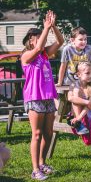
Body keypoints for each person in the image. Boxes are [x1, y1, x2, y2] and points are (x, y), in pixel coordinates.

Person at [21, 10, 64, 180]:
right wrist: (46, 26)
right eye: (38, 36)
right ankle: (35, 169)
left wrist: (53, 27)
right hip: (34, 97)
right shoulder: (26, 56)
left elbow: (60, 41)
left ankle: (42, 163)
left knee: (48, 134)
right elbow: (39, 47)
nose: (42, 39)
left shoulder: (45, 54)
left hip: (48, 97)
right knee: (37, 134)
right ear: (30, 41)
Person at [68, 61, 91, 179]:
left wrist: (81, 114)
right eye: (86, 73)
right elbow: (70, 98)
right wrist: (86, 102)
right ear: (78, 74)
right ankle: (80, 124)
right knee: (75, 93)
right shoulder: (74, 85)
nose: (90, 75)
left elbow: (90, 105)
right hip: (78, 118)